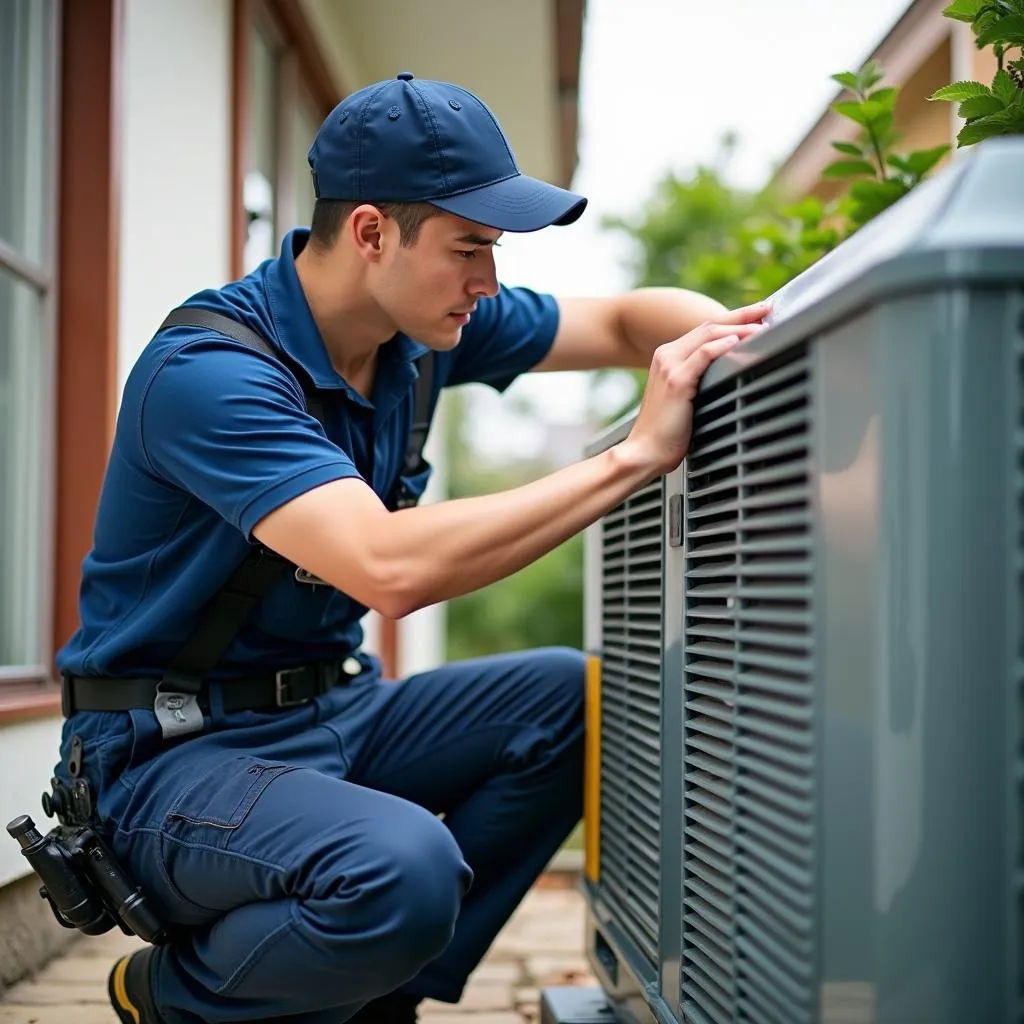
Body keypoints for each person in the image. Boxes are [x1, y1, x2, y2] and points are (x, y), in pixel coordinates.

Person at [53, 73, 767, 1024]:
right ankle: (173, 995)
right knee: (402, 870)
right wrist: (637, 457)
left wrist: (756, 344)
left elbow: (628, 321)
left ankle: (379, 996)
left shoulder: (419, 330)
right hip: (170, 758)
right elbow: (388, 568)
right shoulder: (211, 376)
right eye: (470, 249)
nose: (489, 283)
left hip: (332, 711)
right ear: (371, 234)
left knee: (569, 700)